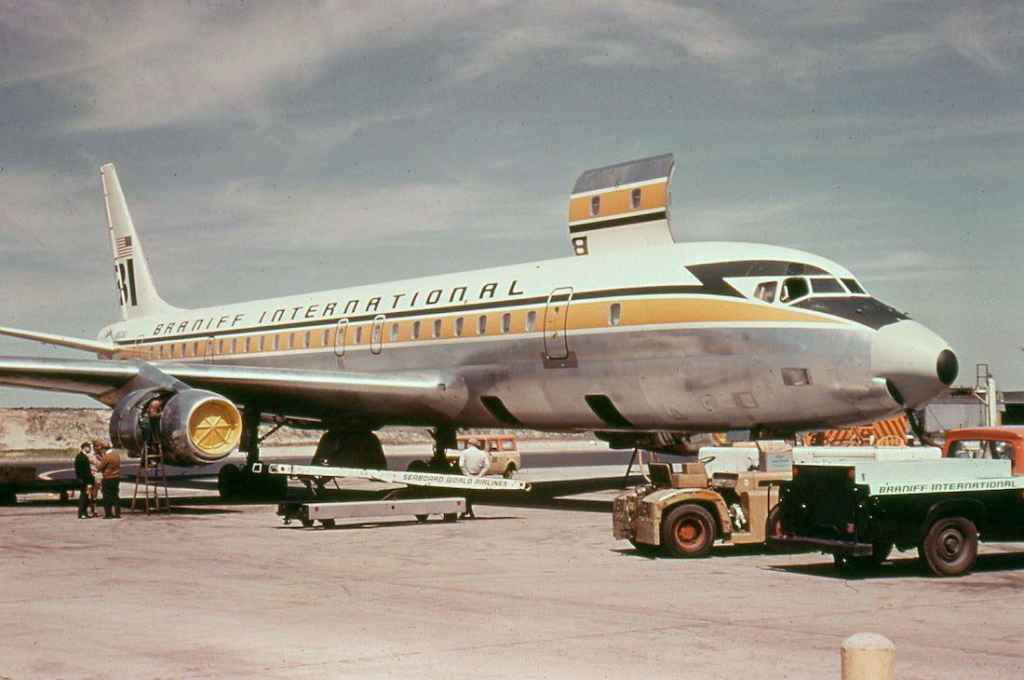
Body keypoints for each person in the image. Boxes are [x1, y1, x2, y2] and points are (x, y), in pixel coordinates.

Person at [95, 441, 121, 519]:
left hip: (108, 478)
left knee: (107, 497)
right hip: (116, 477)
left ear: (104, 449)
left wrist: (97, 462)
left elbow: (99, 467)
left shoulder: (107, 456)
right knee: (115, 496)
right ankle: (117, 513)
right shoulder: (116, 455)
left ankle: (108, 514)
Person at [73, 441, 96, 519]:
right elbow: (84, 471)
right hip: (84, 481)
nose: (89, 449)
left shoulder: (81, 456)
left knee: (85, 497)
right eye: (88, 447)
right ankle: (82, 513)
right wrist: (89, 482)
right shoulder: (82, 457)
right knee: (84, 497)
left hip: (83, 480)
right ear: (84, 448)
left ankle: (84, 513)